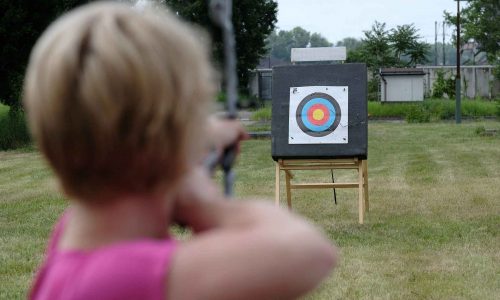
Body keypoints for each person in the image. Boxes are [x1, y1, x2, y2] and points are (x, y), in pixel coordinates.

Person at [24, 2, 337, 299]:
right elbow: (309, 252)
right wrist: (208, 205)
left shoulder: (76, 238)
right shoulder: (122, 278)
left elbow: (130, 150)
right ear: (167, 144)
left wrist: (192, 142)